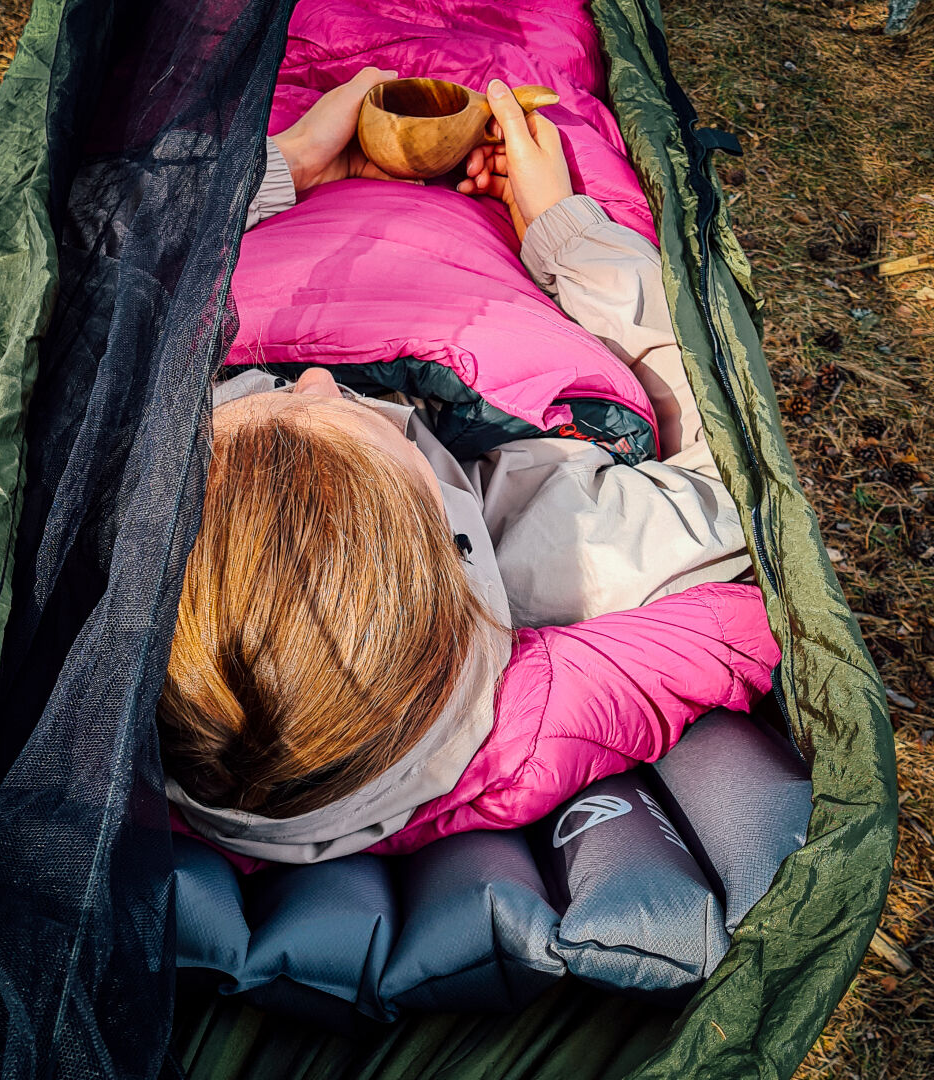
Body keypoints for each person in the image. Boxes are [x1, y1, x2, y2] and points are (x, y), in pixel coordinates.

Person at [158, 69, 780, 866]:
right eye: (356, 418)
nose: (313, 380)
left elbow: (110, 275)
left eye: (259, 401)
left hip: (306, 219)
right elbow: (736, 465)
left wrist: (290, 164)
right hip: (496, 268)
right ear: (444, 533)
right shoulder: (572, 555)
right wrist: (564, 227)